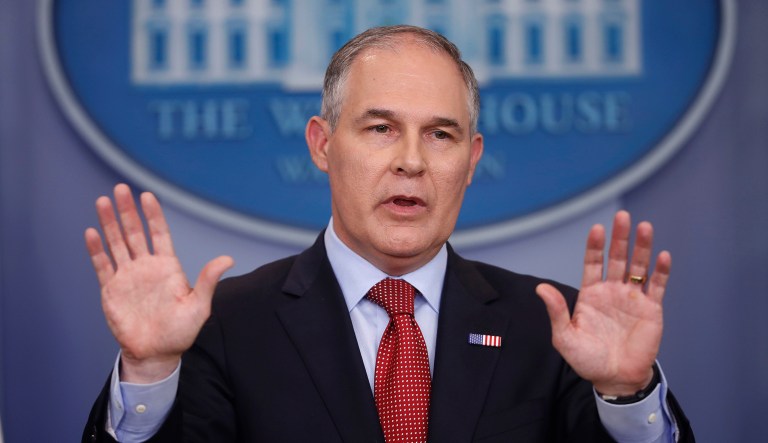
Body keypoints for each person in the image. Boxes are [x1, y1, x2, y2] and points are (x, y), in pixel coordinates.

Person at [83, 25, 693, 442]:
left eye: (441, 134)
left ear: (472, 159)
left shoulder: (553, 327)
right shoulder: (224, 326)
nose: (411, 162)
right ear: (322, 144)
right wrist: (150, 371)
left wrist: (626, 396)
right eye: (380, 129)